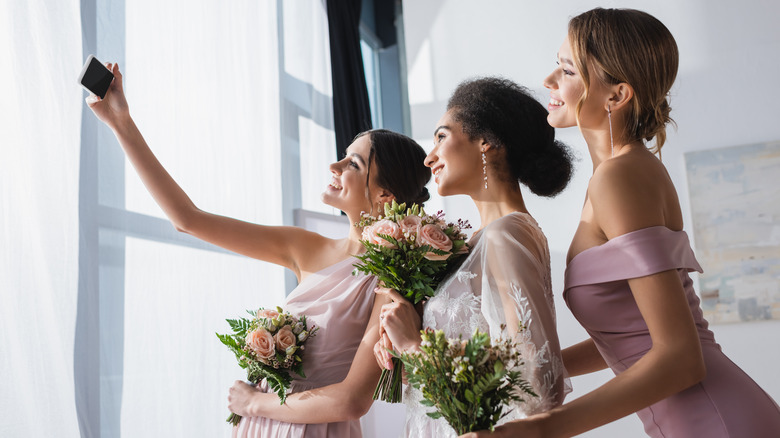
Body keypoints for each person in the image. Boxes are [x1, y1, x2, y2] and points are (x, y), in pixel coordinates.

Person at [463, 8, 780, 438]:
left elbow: (681, 357)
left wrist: (543, 430)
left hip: (715, 420)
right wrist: (519, 368)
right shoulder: (625, 172)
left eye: (567, 69)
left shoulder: (620, 177)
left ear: (617, 95)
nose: (549, 80)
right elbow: (637, 337)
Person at [86, 63, 431, 437]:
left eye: (353, 163)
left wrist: (253, 403)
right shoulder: (303, 246)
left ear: (384, 195)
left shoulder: (393, 284)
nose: (334, 165)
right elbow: (188, 219)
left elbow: (352, 400)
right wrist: (122, 123)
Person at [373, 77, 574, 437]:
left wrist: (413, 346)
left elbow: (540, 388)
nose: (428, 156)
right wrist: (411, 342)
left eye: (441, 137)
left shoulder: (504, 235)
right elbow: (490, 359)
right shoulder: (483, 241)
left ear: (487, 141)